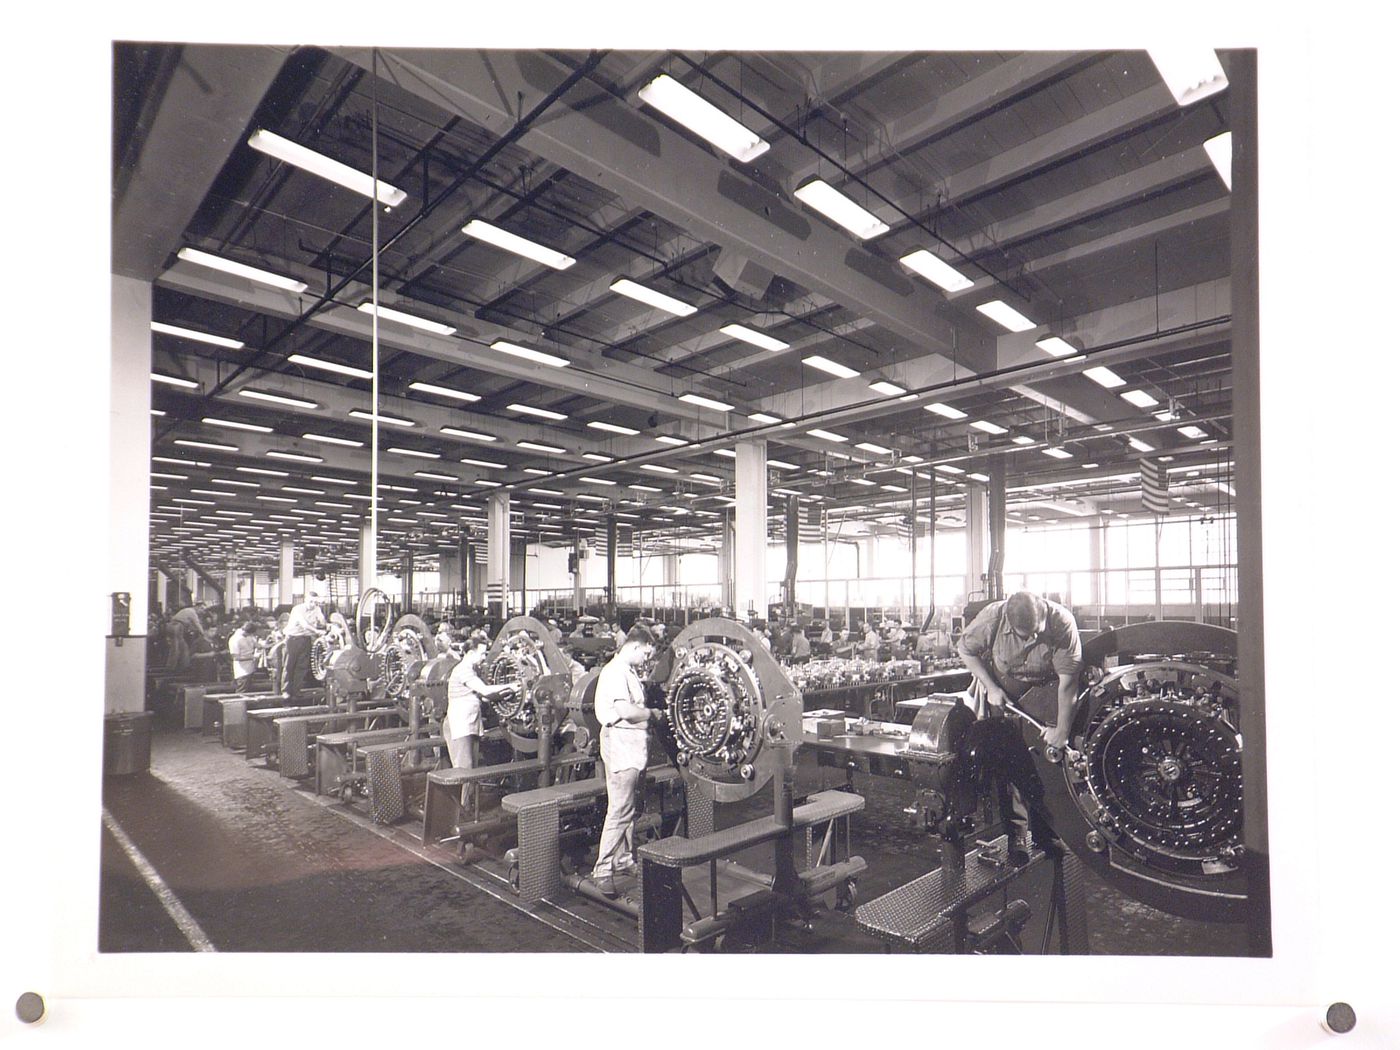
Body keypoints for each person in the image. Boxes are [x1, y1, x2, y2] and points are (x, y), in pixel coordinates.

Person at [957, 590, 1082, 862]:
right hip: (1004, 691)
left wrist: (1060, 731)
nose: (1032, 640)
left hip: (1046, 691)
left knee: (1046, 763)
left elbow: (1068, 683)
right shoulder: (992, 618)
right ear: (1009, 623)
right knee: (1009, 765)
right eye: (1024, 635)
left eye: (1037, 633)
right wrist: (990, 687)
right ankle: (1016, 837)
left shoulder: (1062, 623)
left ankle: (1047, 832)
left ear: (1044, 613)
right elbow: (965, 650)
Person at [590, 625, 661, 898]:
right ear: (634, 646)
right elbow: (625, 711)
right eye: (646, 653)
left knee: (630, 808)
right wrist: (652, 714)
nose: (647, 659)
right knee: (620, 809)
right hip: (621, 742)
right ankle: (603, 870)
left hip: (632, 744)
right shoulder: (615, 673)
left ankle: (623, 859)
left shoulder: (628, 670)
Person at [443, 631, 513, 770]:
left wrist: (509, 693)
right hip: (459, 725)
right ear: (470, 654)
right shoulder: (463, 669)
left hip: (469, 724)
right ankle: (463, 793)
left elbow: (485, 697)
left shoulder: (472, 670)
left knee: (472, 768)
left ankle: (469, 792)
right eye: (481, 654)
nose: (483, 658)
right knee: (464, 769)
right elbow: (485, 690)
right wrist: (510, 685)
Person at [283, 591, 327, 701]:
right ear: (306, 600)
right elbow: (305, 625)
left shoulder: (317, 609)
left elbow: (322, 621)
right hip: (293, 639)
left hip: (306, 639)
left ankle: (296, 691)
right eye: (311, 602)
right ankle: (286, 691)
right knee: (289, 666)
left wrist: (326, 624)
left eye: (316, 602)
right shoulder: (297, 609)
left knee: (301, 667)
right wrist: (317, 631)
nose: (313, 604)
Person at [228, 620, 264, 693]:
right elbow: (235, 657)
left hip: (251, 668)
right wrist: (253, 657)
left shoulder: (250, 636)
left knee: (250, 691)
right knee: (242, 691)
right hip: (242, 671)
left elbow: (258, 645)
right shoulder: (235, 640)